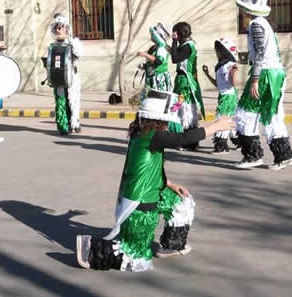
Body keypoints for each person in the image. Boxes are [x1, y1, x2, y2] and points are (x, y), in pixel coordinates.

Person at [76, 89, 235, 272]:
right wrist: (215, 127)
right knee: (137, 257)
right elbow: (184, 138)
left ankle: (171, 245)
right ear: (157, 119)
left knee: (181, 202)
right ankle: (91, 251)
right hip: (142, 201)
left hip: (154, 190)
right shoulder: (154, 135)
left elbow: (149, 167)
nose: (168, 123)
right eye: (166, 119)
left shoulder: (146, 132)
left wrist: (169, 184)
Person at [234, 0, 292, 170]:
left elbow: (260, 52)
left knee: (245, 112)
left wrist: (254, 79)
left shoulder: (256, 25)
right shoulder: (265, 24)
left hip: (265, 75)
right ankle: (284, 156)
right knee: (271, 115)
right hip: (274, 73)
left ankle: (253, 155)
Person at [168, 22, 205, 151]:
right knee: (182, 109)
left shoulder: (188, 46)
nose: (175, 36)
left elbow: (175, 58)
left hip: (186, 81)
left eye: (175, 33)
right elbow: (176, 54)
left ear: (180, 33)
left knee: (186, 109)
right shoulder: (186, 45)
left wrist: (173, 42)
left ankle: (190, 140)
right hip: (182, 79)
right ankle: (187, 139)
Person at [202, 38, 240, 154]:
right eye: (216, 50)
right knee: (230, 120)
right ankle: (239, 141)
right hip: (223, 96)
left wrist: (234, 72)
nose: (216, 53)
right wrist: (207, 74)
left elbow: (233, 83)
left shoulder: (230, 65)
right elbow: (218, 84)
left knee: (221, 119)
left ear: (225, 51)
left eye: (218, 50)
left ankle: (222, 146)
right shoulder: (220, 66)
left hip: (229, 97)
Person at [49, 13, 84, 135]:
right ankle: (63, 125)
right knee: (61, 100)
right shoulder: (53, 45)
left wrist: (68, 38)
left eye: (61, 27)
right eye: (57, 28)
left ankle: (75, 123)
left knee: (73, 100)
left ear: (66, 28)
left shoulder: (73, 42)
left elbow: (79, 53)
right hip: (58, 78)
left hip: (72, 77)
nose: (59, 30)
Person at [137, 24, 172, 92]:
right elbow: (152, 62)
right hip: (150, 78)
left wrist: (145, 55)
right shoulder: (154, 48)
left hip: (159, 79)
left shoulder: (162, 48)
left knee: (157, 100)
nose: (151, 36)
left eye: (152, 34)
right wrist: (145, 66)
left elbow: (158, 62)